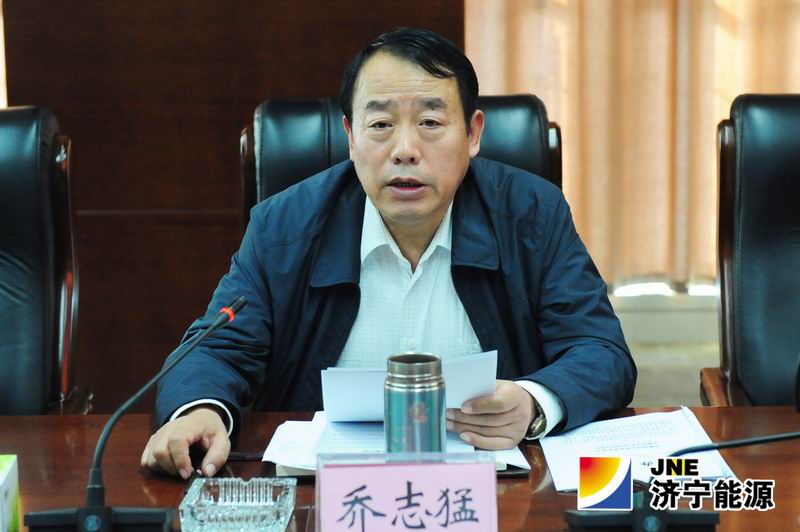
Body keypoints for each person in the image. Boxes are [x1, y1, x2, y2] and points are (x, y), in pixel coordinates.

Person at [141, 27, 636, 479]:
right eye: (380, 124)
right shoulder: (283, 226)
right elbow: (217, 348)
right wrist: (200, 410)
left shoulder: (531, 214)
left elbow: (600, 351)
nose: (405, 149)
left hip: (494, 493)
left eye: (430, 122)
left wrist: (532, 401)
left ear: (473, 134)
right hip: (325, 495)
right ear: (350, 136)